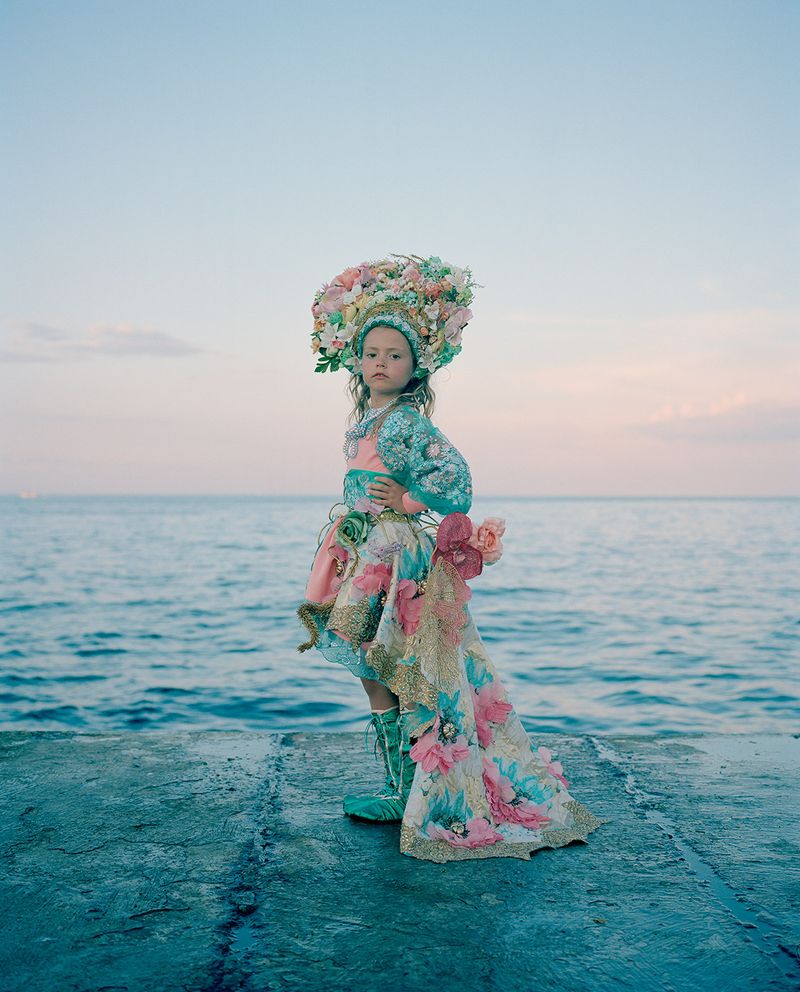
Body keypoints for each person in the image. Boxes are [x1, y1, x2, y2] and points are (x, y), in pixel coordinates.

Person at [296, 254, 608, 863]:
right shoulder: (370, 418)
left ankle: (409, 790)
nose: (380, 362)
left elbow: (457, 483)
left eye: (394, 355)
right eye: (371, 353)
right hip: (364, 547)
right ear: (355, 360)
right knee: (373, 661)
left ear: (415, 367)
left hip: (392, 551)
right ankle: (400, 783)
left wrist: (409, 500)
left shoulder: (405, 421)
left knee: (394, 662)